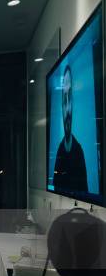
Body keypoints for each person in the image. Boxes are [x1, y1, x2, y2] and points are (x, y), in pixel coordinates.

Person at [53, 65, 88, 193]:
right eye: (64, 99)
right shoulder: (59, 151)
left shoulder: (79, 151)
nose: (67, 109)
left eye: (69, 98)